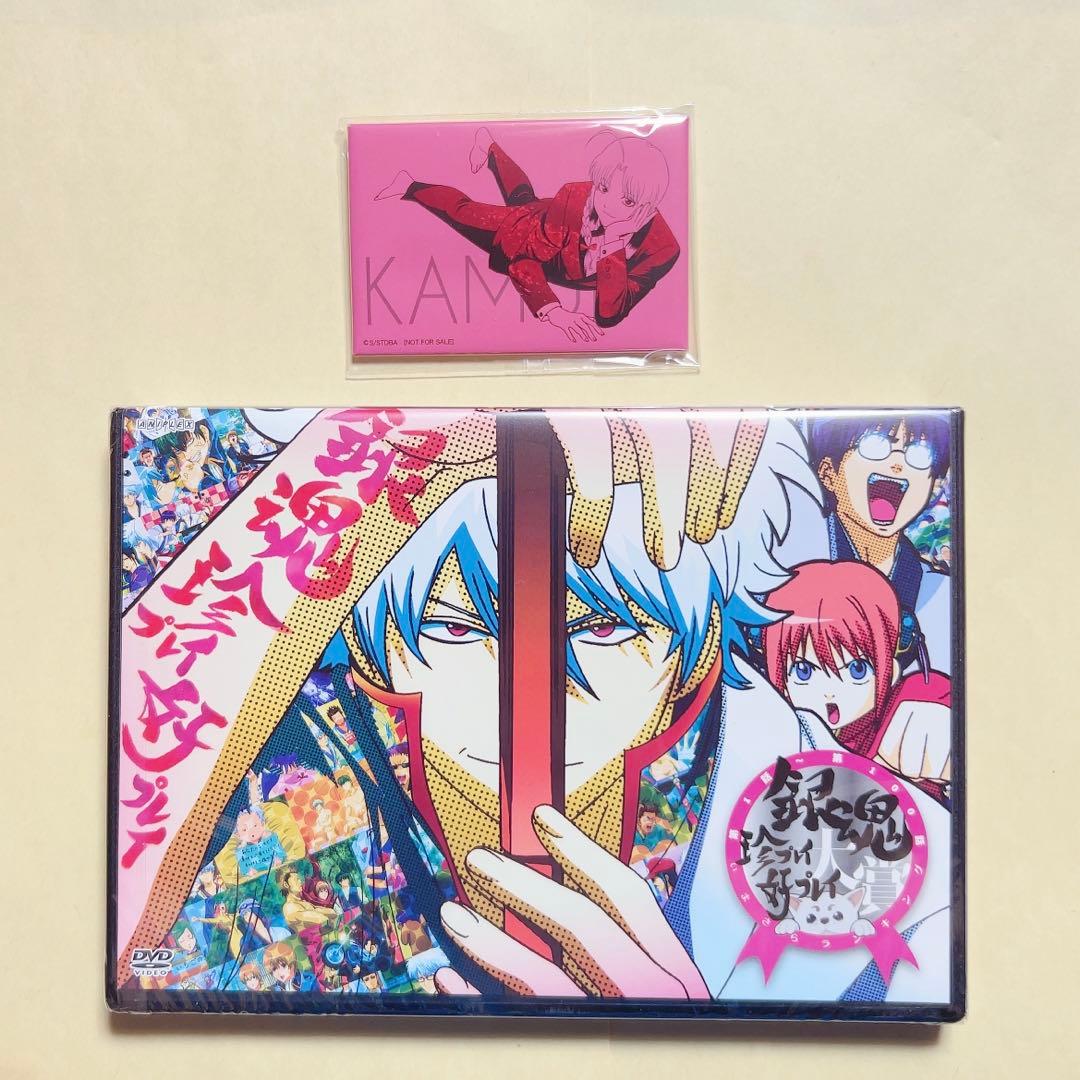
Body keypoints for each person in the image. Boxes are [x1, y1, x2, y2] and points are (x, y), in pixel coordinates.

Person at [375, 129, 680, 340]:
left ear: (649, 205)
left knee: (523, 198)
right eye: (602, 188)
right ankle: (410, 185)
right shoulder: (574, 200)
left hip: (548, 221)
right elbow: (522, 262)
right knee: (466, 212)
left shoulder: (663, 249)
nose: (607, 205)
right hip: (529, 229)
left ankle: (490, 146)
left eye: (627, 201)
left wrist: (612, 245)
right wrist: (553, 311)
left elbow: (609, 315)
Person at [763, 560, 952, 802]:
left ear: (891, 671)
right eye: (803, 671)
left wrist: (938, 728)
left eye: (857, 669)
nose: (829, 691)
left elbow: (933, 697)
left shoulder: (900, 709)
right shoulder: (777, 725)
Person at [807, 414, 951, 673]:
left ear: (932, 486)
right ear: (828, 473)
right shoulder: (788, 571)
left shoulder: (938, 592)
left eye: (919, 452)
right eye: (875, 444)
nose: (897, 463)